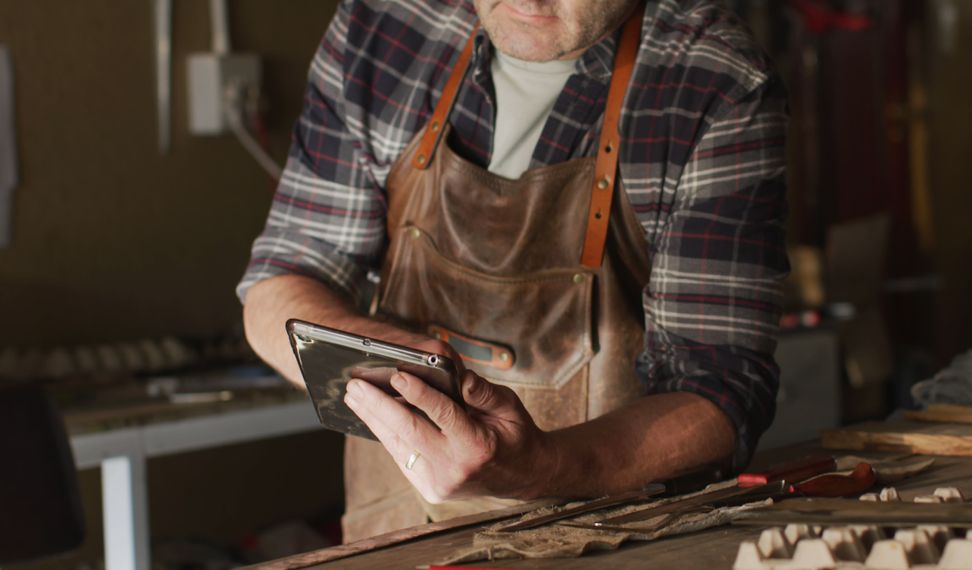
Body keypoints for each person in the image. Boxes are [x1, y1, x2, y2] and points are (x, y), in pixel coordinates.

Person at [238, 0, 789, 542]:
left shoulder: (713, 80)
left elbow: (717, 391)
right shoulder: (386, 23)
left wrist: (540, 465)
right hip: (394, 538)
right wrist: (402, 366)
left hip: (605, 543)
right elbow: (282, 282)